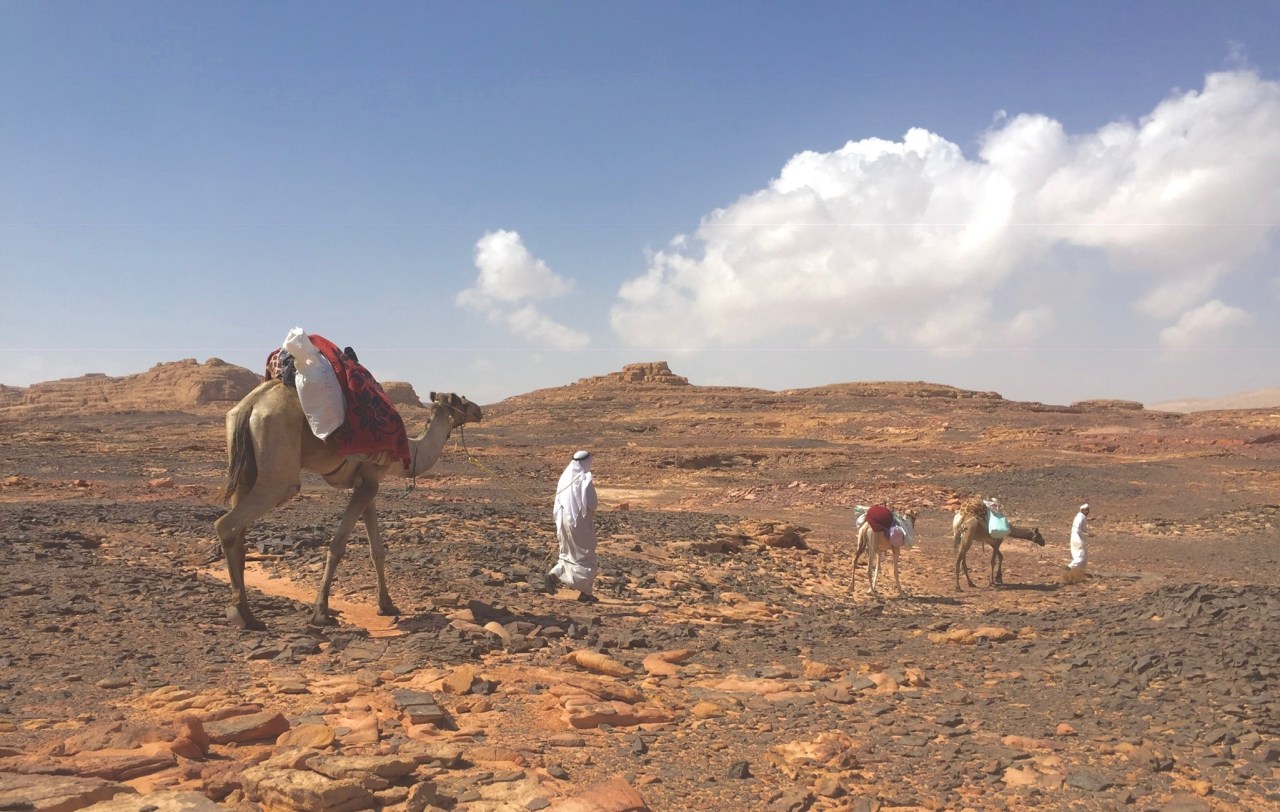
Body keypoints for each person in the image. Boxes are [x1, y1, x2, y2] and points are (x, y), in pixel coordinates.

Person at [545, 450, 600, 603]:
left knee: (567, 553)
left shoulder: (564, 477)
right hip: (579, 523)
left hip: (562, 522)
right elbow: (592, 504)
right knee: (586, 556)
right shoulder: (584, 479)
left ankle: (555, 574)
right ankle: (585, 593)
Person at [1065, 503, 1090, 582]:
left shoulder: (1082, 517)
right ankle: (1069, 567)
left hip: (1079, 539)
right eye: (1085, 510)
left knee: (1084, 558)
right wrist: (1088, 534)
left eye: (1088, 510)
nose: (1087, 512)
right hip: (1077, 540)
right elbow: (1077, 531)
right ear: (1082, 510)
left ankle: (1079, 574)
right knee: (1081, 557)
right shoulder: (1079, 518)